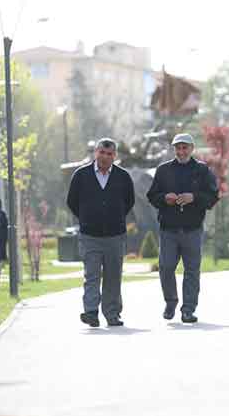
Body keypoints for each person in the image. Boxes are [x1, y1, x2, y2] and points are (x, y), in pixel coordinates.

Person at [146, 133, 219, 323]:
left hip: (193, 230)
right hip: (168, 230)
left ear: (192, 148)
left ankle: (188, 310)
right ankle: (171, 302)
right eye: (178, 148)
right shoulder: (163, 170)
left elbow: (212, 196)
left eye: (184, 147)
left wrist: (194, 197)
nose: (181, 151)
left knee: (192, 271)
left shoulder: (202, 171)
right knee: (166, 267)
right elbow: (152, 196)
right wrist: (164, 198)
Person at [67, 138, 135, 327]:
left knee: (113, 276)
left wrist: (115, 217)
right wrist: (87, 218)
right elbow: (72, 201)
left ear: (115, 156)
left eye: (109, 154)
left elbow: (129, 201)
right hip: (90, 236)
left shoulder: (123, 177)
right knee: (92, 275)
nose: (105, 157)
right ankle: (90, 312)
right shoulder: (81, 175)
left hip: (115, 236)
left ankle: (112, 314)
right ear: (95, 153)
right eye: (102, 153)